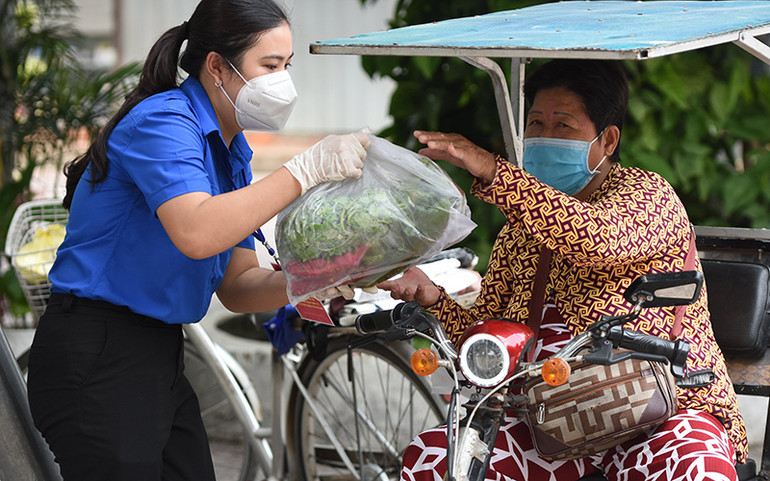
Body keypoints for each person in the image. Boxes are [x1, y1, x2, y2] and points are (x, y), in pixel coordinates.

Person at [26, 1, 368, 480]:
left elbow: (239, 285)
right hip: (99, 352)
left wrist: (317, 278)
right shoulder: (163, 121)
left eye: (286, 66)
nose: (282, 82)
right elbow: (197, 231)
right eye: (269, 66)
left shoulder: (230, 153)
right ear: (217, 67)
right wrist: (304, 170)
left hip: (158, 352)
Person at [378, 59, 747, 480]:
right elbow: (487, 334)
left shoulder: (647, 193)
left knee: (693, 467)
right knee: (435, 459)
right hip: (550, 428)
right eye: (536, 123)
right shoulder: (520, 231)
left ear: (607, 140)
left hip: (662, 412)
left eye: (563, 126)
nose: (544, 136)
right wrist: (432, 298)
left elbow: (597, 238)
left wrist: (495, 172)